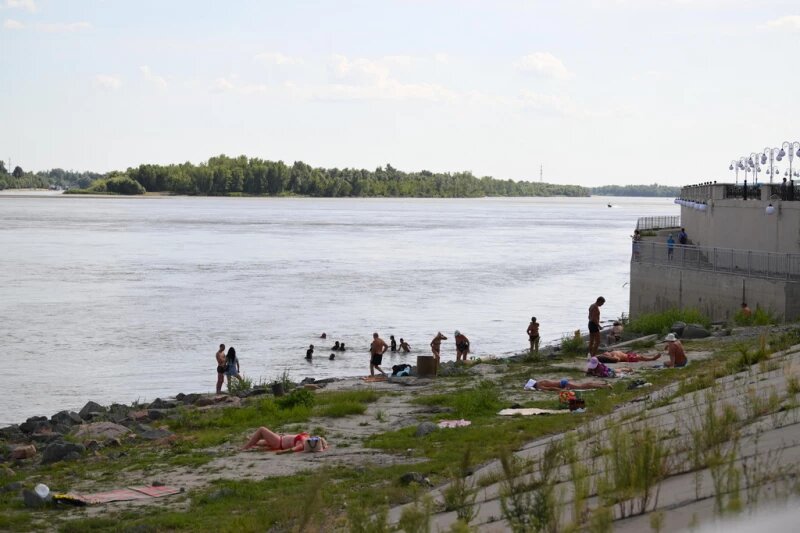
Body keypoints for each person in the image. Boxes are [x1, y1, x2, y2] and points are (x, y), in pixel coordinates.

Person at [241, 427, 328, 454]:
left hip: (279, 442)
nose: (314, 438)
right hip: (280, 439)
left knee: (262, 430)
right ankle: (251, 440)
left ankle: (245, 447)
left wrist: (281, 452)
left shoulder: (302, 444)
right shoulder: (306, 437)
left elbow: (292, 450)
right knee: (261, 442)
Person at [525, 378, 611, 391]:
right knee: (583, 385)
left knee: (582, 386)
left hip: (563, 384)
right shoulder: (541, 381)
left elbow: (551, 388)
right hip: (562, 381)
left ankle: (605, 386)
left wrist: (561, 390)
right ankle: (603, 384)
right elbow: (551, 383)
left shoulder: (539, 386)